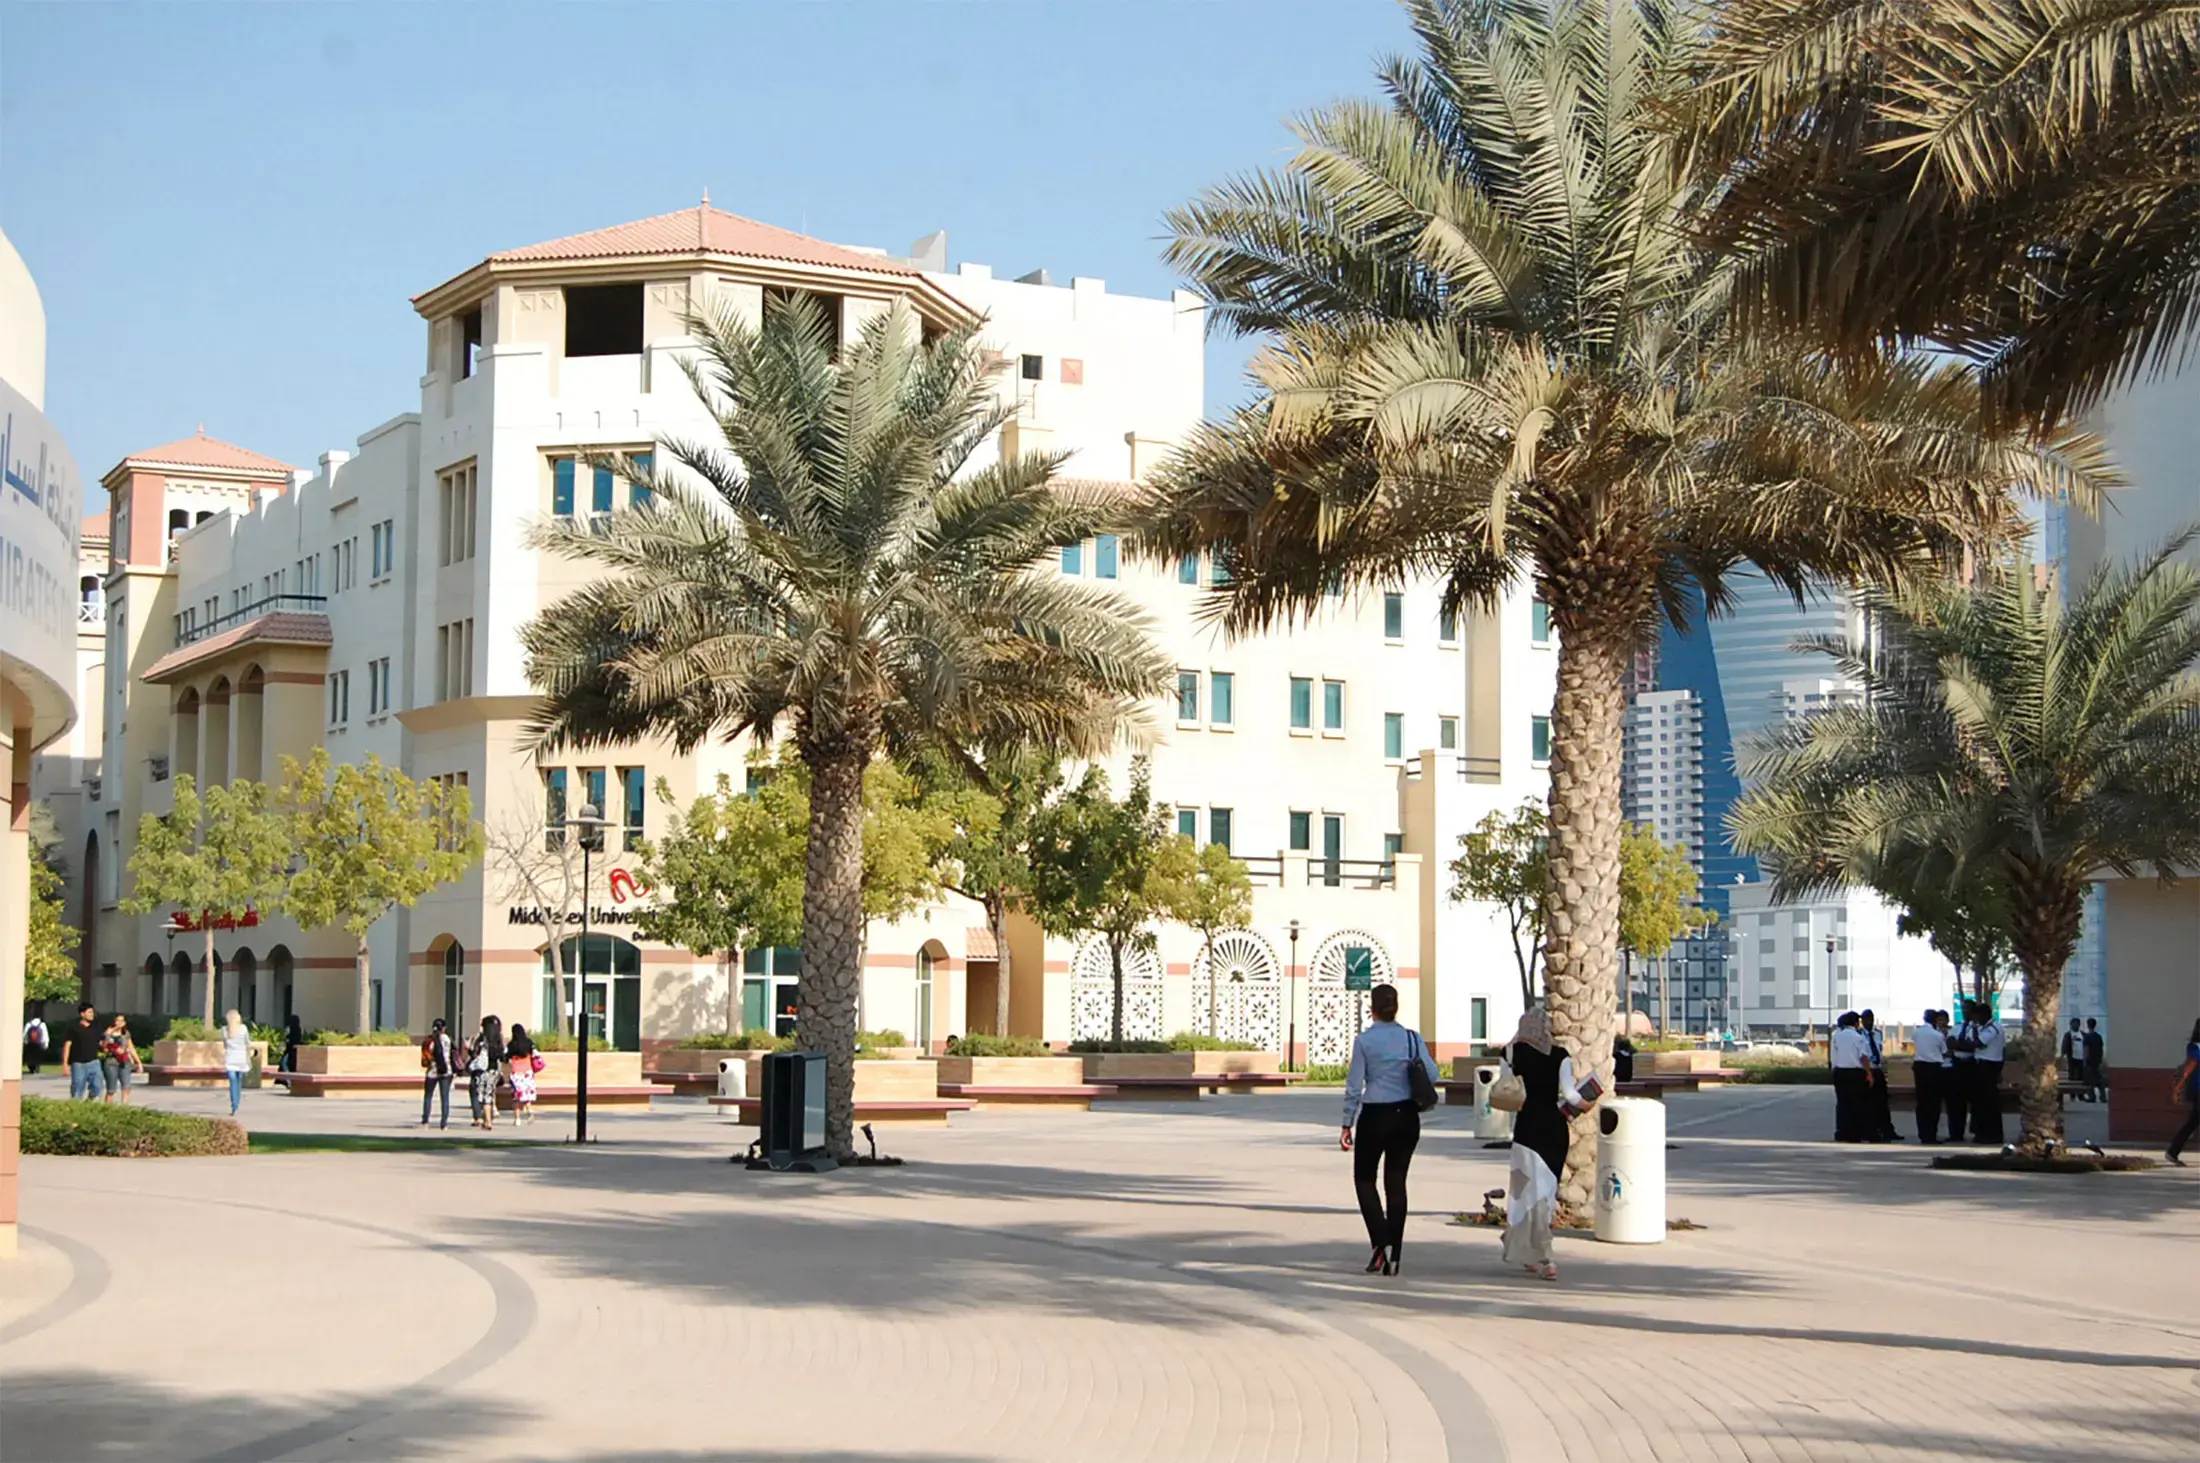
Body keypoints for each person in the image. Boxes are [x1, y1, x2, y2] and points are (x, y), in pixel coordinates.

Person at [1339, 982, 1436, 1276]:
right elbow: (1432, 1073)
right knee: (1396, 1182)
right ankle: (1395, 1252)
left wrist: (1347, 1122)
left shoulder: (1365, 1041)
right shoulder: (1411, 1038)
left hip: (1375, 1115)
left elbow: (1355, 1085)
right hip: (1406, 1115)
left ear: (1373, 1009)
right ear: (1396, 1008)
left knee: (1364, 1179)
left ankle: (1380, 1244)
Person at [1502, 1001, 1589, 1283]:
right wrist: (1586, 1103)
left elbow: (1507, 1090)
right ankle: (1544, 1256)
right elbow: (1570, 1095)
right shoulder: (1560, 1055)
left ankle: (1533, 1252)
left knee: (1522, 1192)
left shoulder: (1511, 1052)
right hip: (1553, 1131)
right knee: (1545, 1194)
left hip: (1526, 1130)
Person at [1961, 1000, 2006, 1145]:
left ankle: (1992, 1133)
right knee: (1980, 1102)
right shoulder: (1983, 1027)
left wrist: (1972, 1031)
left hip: (1989, 1065)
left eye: (1977, 1016)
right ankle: (1982, 1132)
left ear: (1984, 1015)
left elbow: (1978, 1043)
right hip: (1980, 1064)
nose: (1975, 1019)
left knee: (1989, 1102)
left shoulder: (1993, 1028)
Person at [1829, 1011, 1873, 1142]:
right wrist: (1869, 1073)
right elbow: (1863, 1056)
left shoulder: (1837, 1036)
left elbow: (1833, 1055)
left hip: (1840, 1072)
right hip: (1855, 1073)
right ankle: (1855, 1133)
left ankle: (1842, 1132)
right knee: (1857, 1104)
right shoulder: (1858, 1037)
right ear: (1855, 1023)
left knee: (1842, 1103)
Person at [1859, 1010, 1899, 1141]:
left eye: (1871, 1019)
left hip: (1878, 1069)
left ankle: (1887, 1130)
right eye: (1866, 1020)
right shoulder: (1859, 1035)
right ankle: (1870, 1130)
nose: (1869, 1022)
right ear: (1862, 1021)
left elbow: (1879, 1050)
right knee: (1869, 1103)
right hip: (1867, 1069)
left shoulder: (1877, 1034)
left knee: (1882, 1103)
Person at [1912, 1008, 1949, 1144]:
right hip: (1934, 1068)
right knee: (1933, 1103)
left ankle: (1923, 1133)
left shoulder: (1917, 1032)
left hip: (1919, 1067)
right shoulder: (1937, 1035)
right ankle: (1931, 1135)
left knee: (1921, 1102)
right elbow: (1944, 1051)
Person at [2166, 1018, 2200, 1167]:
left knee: (2193, 1122)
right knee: (2193, 1122)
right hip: (2198, 1088)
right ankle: (2173, 1151)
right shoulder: (2196, 1047)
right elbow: (2189, 1068)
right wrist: (2178, 1087)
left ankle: (2173, 1151)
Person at [59, 1002, 105, 1102]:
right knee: (77, 1090)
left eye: (92, 1012)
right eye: (89, 1012)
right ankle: (76, 1108)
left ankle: (89, 1102)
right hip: (78, 1064)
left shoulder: (96, 1026)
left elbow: (102, 1042)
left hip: (94, 1062)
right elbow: (67, 1045)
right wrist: (65, 1064)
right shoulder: (73, 1027)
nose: (92, 1014)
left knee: (98, 1087)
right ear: (82, 1014)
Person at [466, 1015, 505, 1131]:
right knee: (489, 1095)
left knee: (480, 1095)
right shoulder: (498, 1039)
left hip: (482, 1070)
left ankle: (482, 1118)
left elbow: (473, 1052)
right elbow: (502, 1056)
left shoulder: (482, 1039)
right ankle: (488, 1120)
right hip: (494, 1071)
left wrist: (468, 1048)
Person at [420, 1017, 456, 1129]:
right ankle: (444, 1123)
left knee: (428, 1096)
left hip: (432, 1071)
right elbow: (452, 1053)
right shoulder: (447, 1039)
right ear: (444, 1028)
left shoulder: (429, 1041)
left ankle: (425, 1121)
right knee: (445, 1097)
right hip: (446, 1070)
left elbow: (425, 1057)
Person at [1943, 1007, 1973, 1141]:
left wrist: (1959, 1045)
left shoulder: (1977, 1028)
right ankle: (1955, 1134)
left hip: (1971, 1065)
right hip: (1957, 1064)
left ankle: (1978, 1132)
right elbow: (1949, 1042)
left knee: (1974, 1101)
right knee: (1955, 1102)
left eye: (1968, 1009)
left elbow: (1974, 1046)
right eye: (1964, 1009)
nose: (1965, 1012)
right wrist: (1963, 1045)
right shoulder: (1958, 1026)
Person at [99, 1015, 142, 1105]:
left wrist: (138, 1062)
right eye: (117, 1021)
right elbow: (103, 1047)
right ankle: (108, 1107)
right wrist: (108, 1035)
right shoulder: (108, 1032)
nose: (119, 1023)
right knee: (111, 1089)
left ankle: (124, 1107)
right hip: (111, 1062)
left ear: (124, 1023)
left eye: (121, 1021)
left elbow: (131, 1047)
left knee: (126, 1086)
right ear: (114, 1022)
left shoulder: (125, 1033)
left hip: (124, 1062)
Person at [505, 1022, 539, 1127]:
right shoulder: (529, 1043)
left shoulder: (511, 1045)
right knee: (526, 1094)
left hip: (516, 1073)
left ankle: (517, 1119)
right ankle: (529, 1109)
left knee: (516, 1097)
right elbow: (536, 1055)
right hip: (528, 1072)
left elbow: (505, 1058)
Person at [221, 1009, 252, 1116]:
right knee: (238, 1082)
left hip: (231, 1058)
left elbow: (225, 1045)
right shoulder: (243, 1029)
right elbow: (247, 1043)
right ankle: (236, 1104)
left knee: (232, 1082)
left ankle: (234, 1105)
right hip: (241, 1058)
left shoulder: (224, 1030)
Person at [2083, 1019, 2106, 1105]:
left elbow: (2086, 1049)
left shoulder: (2087, 1037)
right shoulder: (2098, 1037)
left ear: (2088, 1025)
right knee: (2099, 1079)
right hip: (2097, 1060)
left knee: (2089, 1080)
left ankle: (2092, 1097)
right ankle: (2103, 1096)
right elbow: (2101, 1049)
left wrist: (2085, 1060)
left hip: (2089, 1060)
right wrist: (2100, 1059)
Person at [2062, 1018, 2086, 1095]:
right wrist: (2063, 1054)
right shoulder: (2068, 1035)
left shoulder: (2083, 1034)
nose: (2074, 1026)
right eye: (2072, 1024)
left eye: (2076, 1024)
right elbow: (2064, 1045)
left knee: (2081, 1076)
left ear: (2079, 1025)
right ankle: (2072, 1094)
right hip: (2072, 1058)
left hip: (2081, 1058)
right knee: (2072, 1075)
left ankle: (2080, 1094)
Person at [21, 1012, 49, 1077]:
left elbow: (25, 1035)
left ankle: (31, 1068)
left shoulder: (28, 1024)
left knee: (30, 1057)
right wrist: (46, 1044)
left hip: (30, 1044)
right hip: (39, 1043)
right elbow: (45, 1035)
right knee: (38, 1056)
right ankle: (37, 1067)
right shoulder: (42, 1024)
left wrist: (25, 1042)